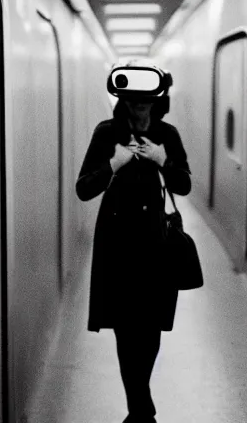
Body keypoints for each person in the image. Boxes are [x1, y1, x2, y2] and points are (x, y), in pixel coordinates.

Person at [75, 66, 191, 423]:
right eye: (133, 102)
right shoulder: (107, 133)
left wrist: (163, 160)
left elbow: (184, 184)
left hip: (156, 242)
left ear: (156, 102)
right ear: (123, 101)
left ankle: (139, 406)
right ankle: (141, 411)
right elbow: (84, 188)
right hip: (118, 242)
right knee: (126, 330)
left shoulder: (167, 135)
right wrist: (112, 164)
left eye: (145, 103)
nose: (139, 109)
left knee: (151, 327)